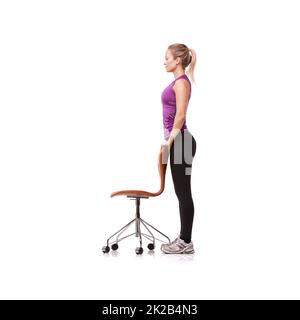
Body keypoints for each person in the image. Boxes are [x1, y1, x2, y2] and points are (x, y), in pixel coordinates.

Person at [160, 43, 197, 254]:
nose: (164, 61)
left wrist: (170, 141)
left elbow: (181, 115)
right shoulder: (177, 82)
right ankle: (184, 239)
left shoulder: (182, 83)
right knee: (179, 191)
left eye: (167, 57)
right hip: (176, 143)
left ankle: (185, 242)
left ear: (177, 60)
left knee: (184, 193)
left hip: (181, 141)